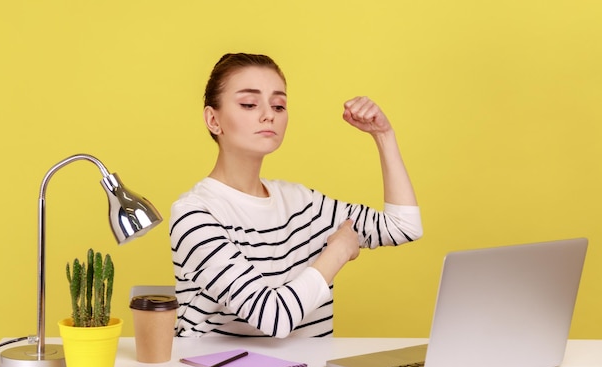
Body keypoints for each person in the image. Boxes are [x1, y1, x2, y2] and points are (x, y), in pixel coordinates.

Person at [169, 53, 423, 338]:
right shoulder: (194, 213)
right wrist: (338, 251)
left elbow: (404, 226)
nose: (269, 114)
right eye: (249, 104)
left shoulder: (303, 204)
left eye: (278, 105)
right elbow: (272, 317)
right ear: (213, 120)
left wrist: (383, 135)